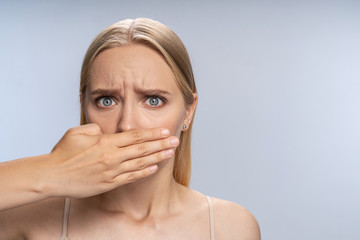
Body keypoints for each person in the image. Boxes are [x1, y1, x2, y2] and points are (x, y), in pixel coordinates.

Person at [0, 18, 260, 239]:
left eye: (153, 100)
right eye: (106, 100)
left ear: (188, 112)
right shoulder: (27, 221)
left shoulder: (231, 227)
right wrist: (52, 170)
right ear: (84, 107)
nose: (126, 125)